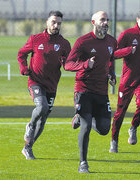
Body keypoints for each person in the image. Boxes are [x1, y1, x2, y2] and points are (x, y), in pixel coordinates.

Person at [65, 11, 117, 173]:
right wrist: (85, 64)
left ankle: (79, 118)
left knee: (104, 129)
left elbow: (110, 60)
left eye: (107, 20)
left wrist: (112, 74)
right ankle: (83, 164)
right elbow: (68, 64)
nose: (106, 22)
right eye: (102, 20)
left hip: (101, 92)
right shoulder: (83, 42)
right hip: (83, 90)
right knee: (86, 127)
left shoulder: (112, 41)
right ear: (93, 22)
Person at [17, 11, 71, 159]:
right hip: (35, 81)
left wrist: (70, 64)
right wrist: (24, 68)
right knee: (42, 107)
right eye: (53, 22)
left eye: (59, 23)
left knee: (44, 119)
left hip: (52, 85)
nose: (56, 25)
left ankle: (28, 148)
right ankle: (30, 125)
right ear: (47, 22)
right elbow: (21, 54)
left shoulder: (64, 44)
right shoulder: (35, 39)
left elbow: (68, 63)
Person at [109, 8, 140, 153]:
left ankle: (133, 127)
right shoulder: (127, 34)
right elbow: (113, 54)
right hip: (128, 80)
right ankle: (114, 140)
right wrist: (127, 51)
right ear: (137, 20)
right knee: (120, 113)